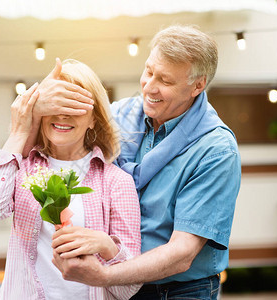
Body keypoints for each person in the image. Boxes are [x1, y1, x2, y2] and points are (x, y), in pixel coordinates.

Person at [26, 25, 242, 299]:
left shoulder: (216, 151)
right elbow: (56, 148)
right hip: (117, 287)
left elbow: (182, 253)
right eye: (149, 71)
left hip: (178, 290)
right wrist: (38, 107)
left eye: (165, 80)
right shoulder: (118, 116)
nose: (149, 86)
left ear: (197, 85)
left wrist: (104, 276)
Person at [0, 59, 142, 300]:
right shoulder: (24, 168)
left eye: (75, 105)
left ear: (94, 119)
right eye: (55, 104)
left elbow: (128, 289)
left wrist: (106, 245)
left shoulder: (116, 182)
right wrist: (21, 128)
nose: (62, 114)